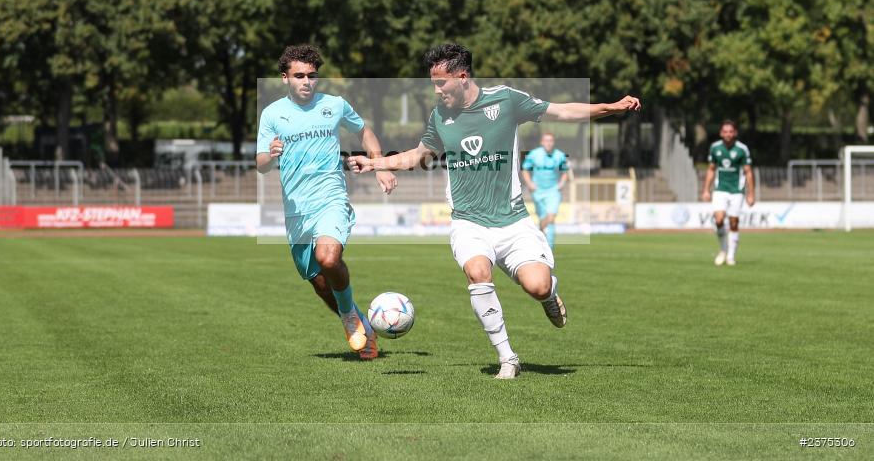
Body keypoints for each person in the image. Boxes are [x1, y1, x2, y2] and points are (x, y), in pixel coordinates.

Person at [348, 43, 640, 379]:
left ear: (462, 76)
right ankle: (508, 358)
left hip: (513, 220)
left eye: (441, 82)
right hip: (468, 222)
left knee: (538, 286)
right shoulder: (440, 116)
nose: (437, 90)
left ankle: (550, 293)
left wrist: (611, 107)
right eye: (433, 83)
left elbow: (562, 111)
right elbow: (418, 156)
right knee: (476, 272)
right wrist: (375, 163)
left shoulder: (506, 100)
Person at [256, 45, 397, 359]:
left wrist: (380, 164)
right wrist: (271, 154)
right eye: (299, 76)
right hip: (296, 209)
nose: (307, 81)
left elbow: (365, 132)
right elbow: (261, 163)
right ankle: (362, 324)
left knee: (329, 258)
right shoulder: (272, 114)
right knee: (319, 282)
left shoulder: (335, 105)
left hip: (331, 197)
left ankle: (349, 317)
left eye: (312, 76)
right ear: (284, 78)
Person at [701, 120, 755, 266]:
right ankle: (723, 249)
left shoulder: (742, 149)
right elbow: (711, 169)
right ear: (721, 133)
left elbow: (748, 172)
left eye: (731, 131)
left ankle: (731, 255)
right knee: (718, 220)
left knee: (733, 222)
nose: (728, 134)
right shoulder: (715, 148)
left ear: (735, 133)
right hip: (720, 189)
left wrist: (751, 194)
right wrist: (706, 189)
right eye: (725, 131)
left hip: (737, 190)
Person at [522, 133, 569, 249]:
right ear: (542, 142)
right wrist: (530, 183)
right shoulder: (534, 154)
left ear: (553, 142)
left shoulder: (560, 155)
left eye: (551, 141)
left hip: (553, 191)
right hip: (538, 191)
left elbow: (565, 172)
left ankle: (550, 248)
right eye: (546, 141)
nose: (548, 143)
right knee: (543, 218)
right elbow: (525, 170)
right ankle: (541, 243)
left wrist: (562, 184)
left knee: (551, 217)